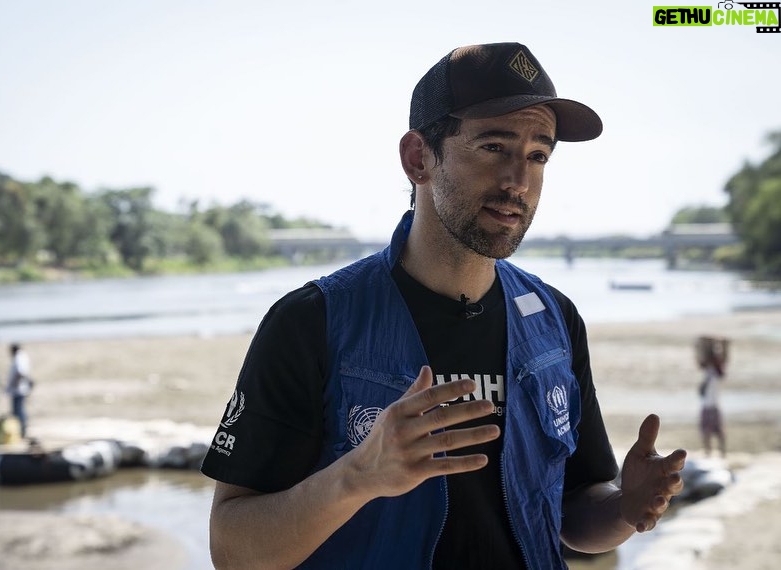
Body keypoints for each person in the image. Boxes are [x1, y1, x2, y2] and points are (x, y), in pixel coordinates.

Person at [201, 42, 687, 569]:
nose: (518, 182)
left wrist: (623, 508)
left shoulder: (555, 320)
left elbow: (574, 519)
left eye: (538, 155)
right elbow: (233, 551)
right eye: (494, 147)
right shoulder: (312, 321)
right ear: (418, 158)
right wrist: (356, 476)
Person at [696, 335, 729, 457]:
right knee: (708, 432)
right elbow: (701, 359)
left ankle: (721, 453)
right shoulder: (709, 369)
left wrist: (725, 345)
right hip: (709, 404)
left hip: (713, 405)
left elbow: (723, 359)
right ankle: (709, 453)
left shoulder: (717, 371)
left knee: (717, 432)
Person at [6, 343, 33, 439]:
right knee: (20, 409)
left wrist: (14, 385)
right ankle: (21, 429)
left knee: (18, 411)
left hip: (18, 389)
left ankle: (21, 430)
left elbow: (20, 372)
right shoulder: (23, 356)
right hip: (21, 388)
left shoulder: (19, 357)